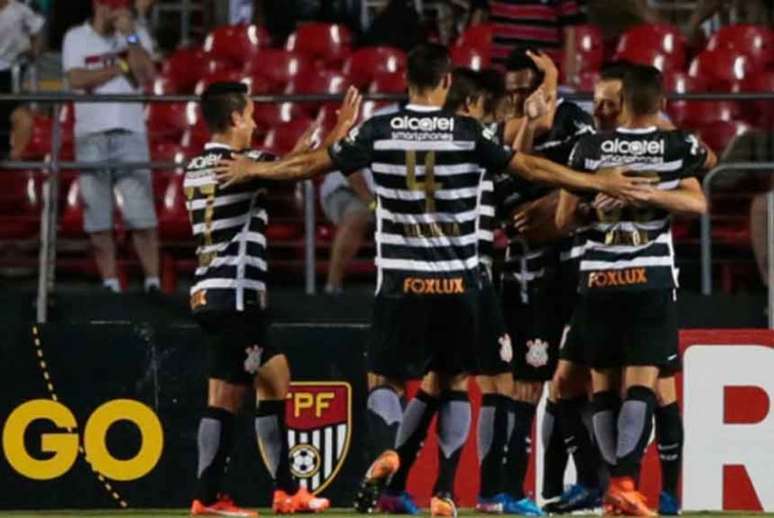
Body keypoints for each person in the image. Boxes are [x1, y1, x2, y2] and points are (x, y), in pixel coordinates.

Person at [215, 42, 653, 516]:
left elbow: (312, 165)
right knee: (456, 380)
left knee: (386, 380)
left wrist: (256, 168)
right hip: (459, 283)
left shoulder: (379, 129)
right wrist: (596, 182)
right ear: (446, 83)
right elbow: (528, 165)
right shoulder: (467, 131)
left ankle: (385, 447)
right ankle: (444, 491)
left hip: (401, 280)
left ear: (407, 82)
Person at [549, 61, 718, 516]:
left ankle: (621, 489)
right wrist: (653, 192)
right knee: (646, 385)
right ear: (662, 103)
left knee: (605, 385)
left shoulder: (589, 147)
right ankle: (624, 481)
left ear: (621, 103)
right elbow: (706, 181)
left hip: (598, 278)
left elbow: (562, 221)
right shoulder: (677, 144)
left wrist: (598, 205)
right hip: (650, 278)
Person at [186, 81, 340, 516]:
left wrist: (297, 152)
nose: (254, 122)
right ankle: (209, 497)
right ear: (234, 118)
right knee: (226, 395)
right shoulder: (242, 163)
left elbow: (281, 168)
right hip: (235, 295)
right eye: (250, 114)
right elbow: (299, 171)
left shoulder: (198, 164)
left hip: (211, 291)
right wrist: (337, 137)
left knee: (275, 377)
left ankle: (287, 491)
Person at [494, 47, 597, 515]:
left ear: (546, 87)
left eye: (525, 91)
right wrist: (527, 128)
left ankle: (586, 484)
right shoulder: (506, 130)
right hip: (521, 276)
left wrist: (554, 203)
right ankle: (516, 491)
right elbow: (502, 196)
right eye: (510, 93)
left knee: (567, 381)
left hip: (573, 272)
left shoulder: (576, 122)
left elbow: (594, 183)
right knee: (528, 384)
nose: (516, 99)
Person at [63, 0, 160, 293]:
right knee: (98, 216)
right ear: (96, 6)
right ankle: (110, 283)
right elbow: (77, 79)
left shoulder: (136, 35)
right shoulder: (75, 37)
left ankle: (152, 282)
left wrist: (131, 38)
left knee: (141, 214)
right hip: (91, 134)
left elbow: (146, 75)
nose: (116, 13)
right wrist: (119, 66)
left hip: (130, 132)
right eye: (110, 6)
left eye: (120, 7)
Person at [475, 0, 585, 83]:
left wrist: (570, 77)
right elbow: (476, 27)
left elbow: (571, 32)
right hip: (499, 77)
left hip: (543, 78)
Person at [0, 0, 44, 160]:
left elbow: (37, 31)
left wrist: (33, 52)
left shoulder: (20, 11)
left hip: (9, 73)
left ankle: (11, 161)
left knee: (24, 121)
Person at [320, 169, 375, 294]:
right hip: (346, 190)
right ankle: (333, 284)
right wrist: (374, 205)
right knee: (359, 214)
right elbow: (351, 172)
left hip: (388, 195)